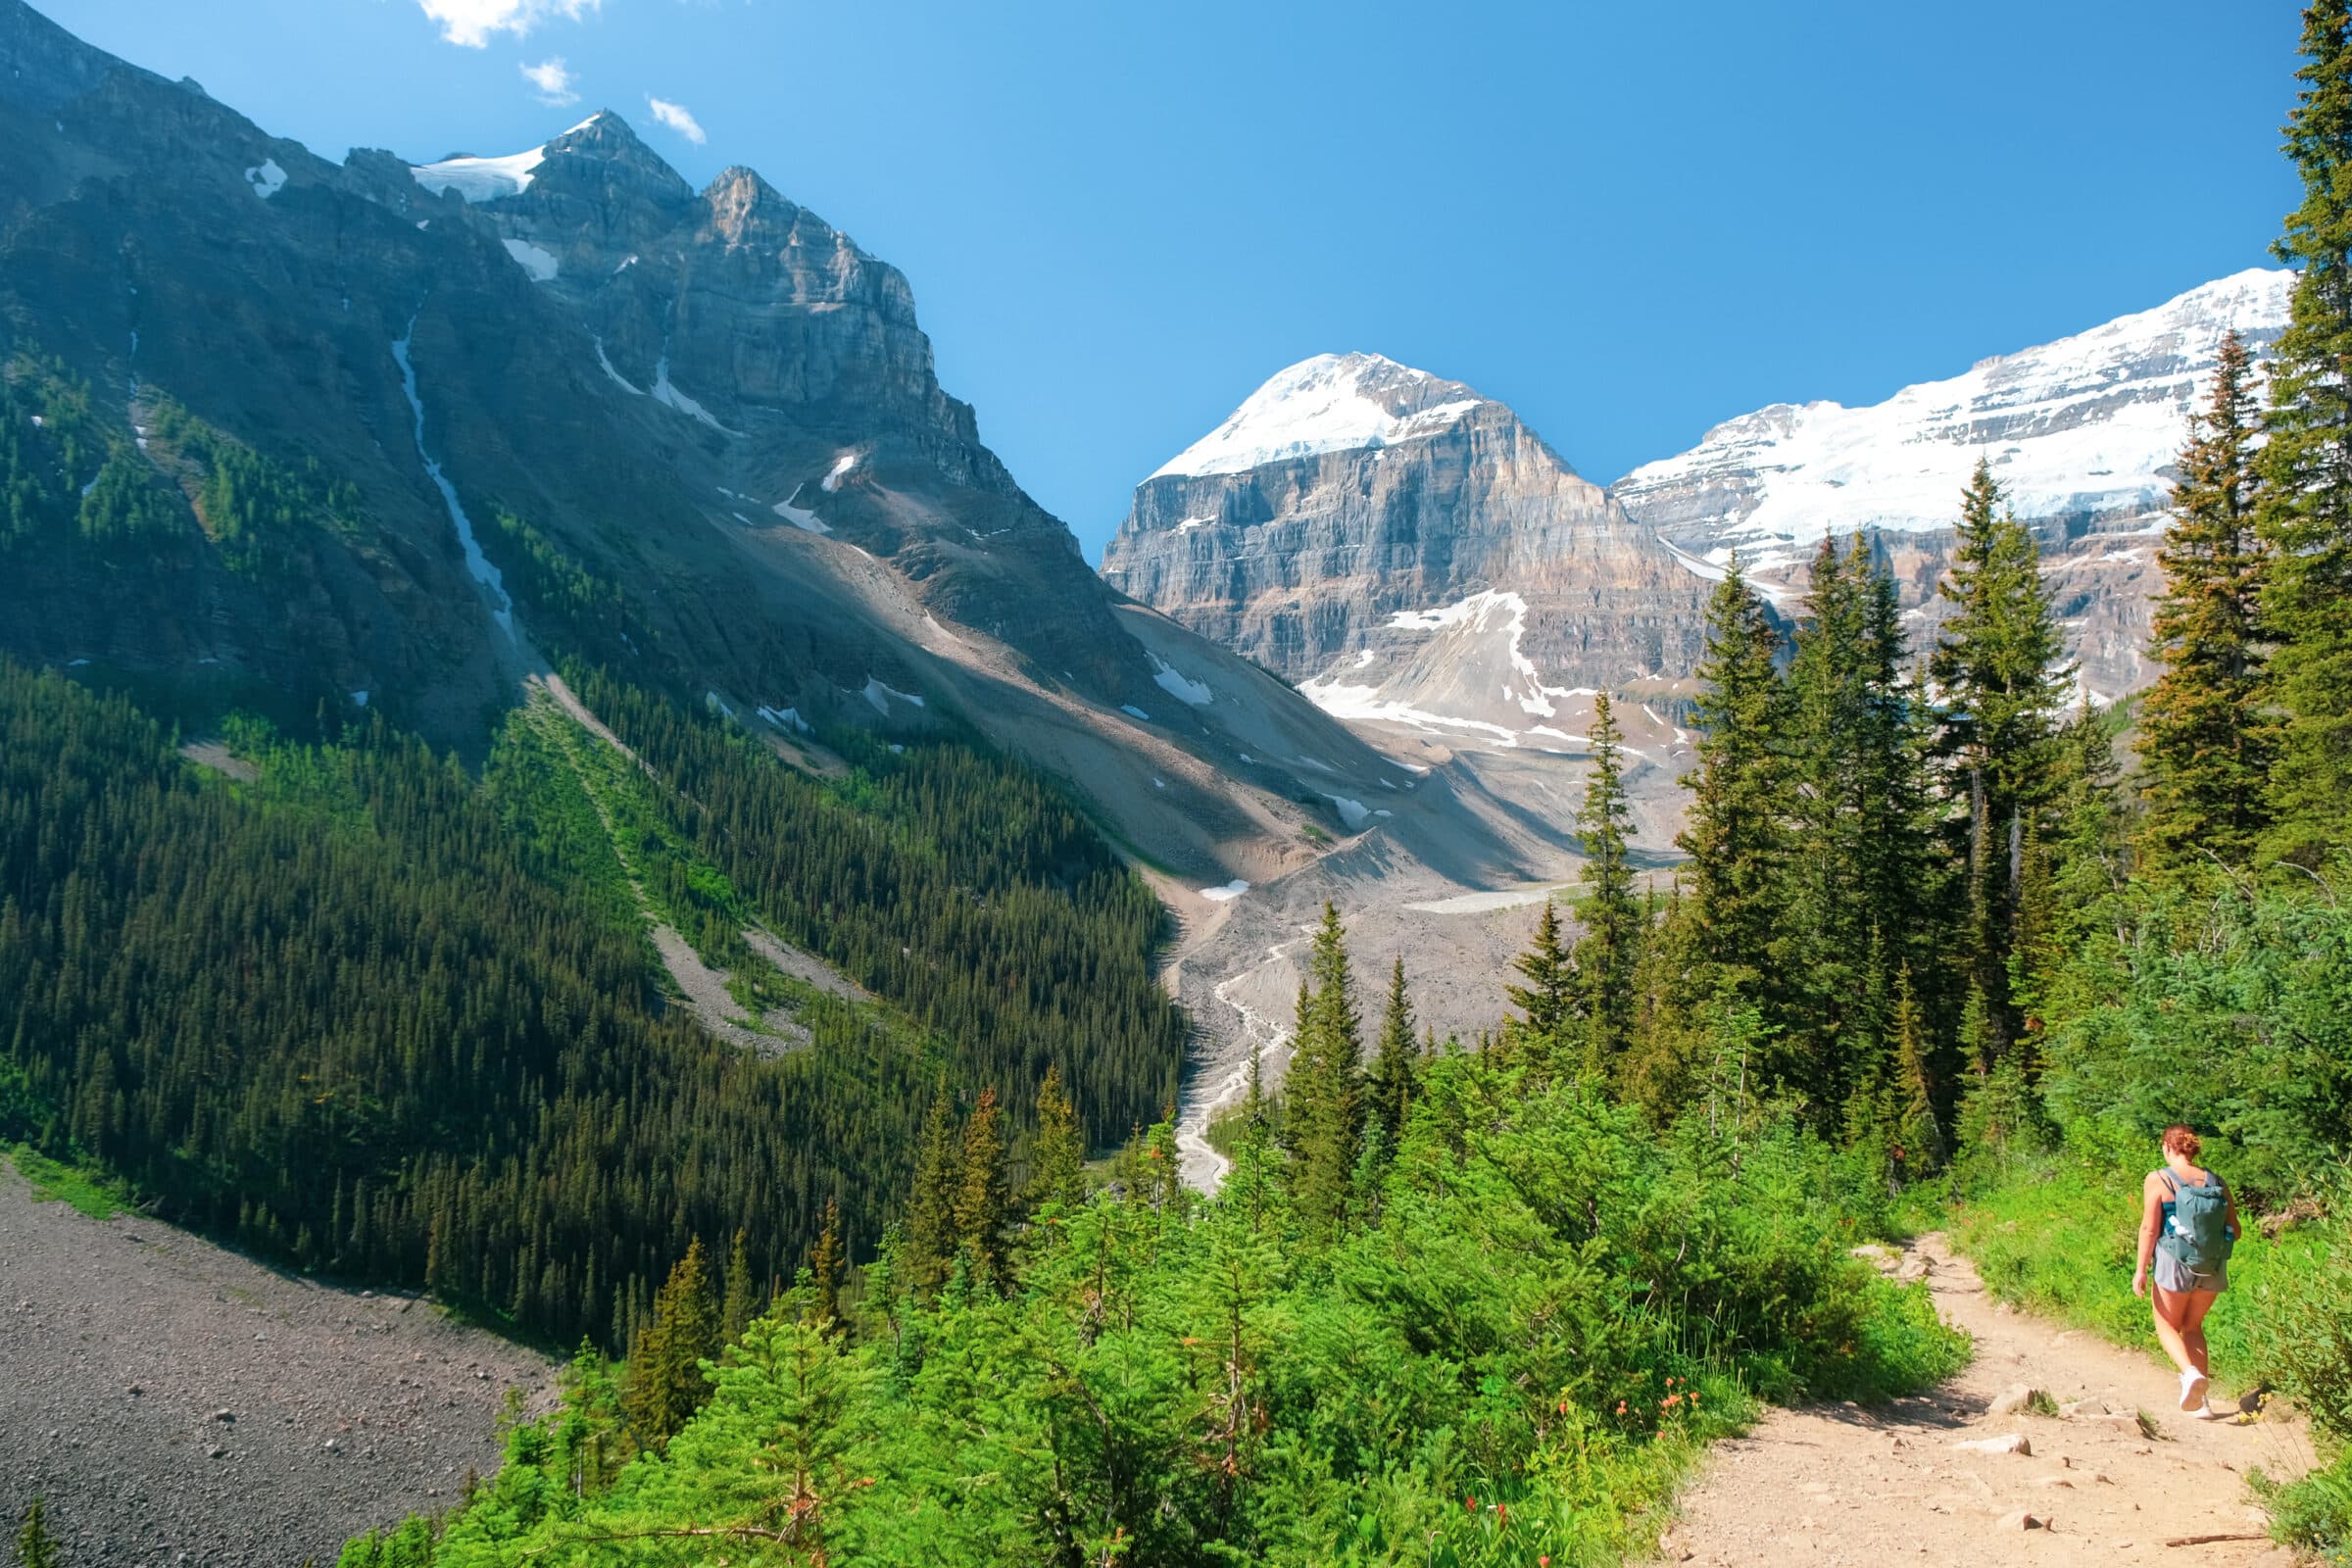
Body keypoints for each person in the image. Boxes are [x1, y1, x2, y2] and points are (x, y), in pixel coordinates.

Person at [2132, 1124, 2240, 1415]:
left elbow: (2149, 1228)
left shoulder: (2158, 1179)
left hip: (2173, 1262)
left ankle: (2189, 1375)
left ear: (2168, 1147)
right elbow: (2236, 1230)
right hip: (2212, 1267)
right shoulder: (2216, 1181)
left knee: (2166, 1324)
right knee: (2193, 1327)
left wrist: (2140, 1269)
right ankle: (2202, 1404)